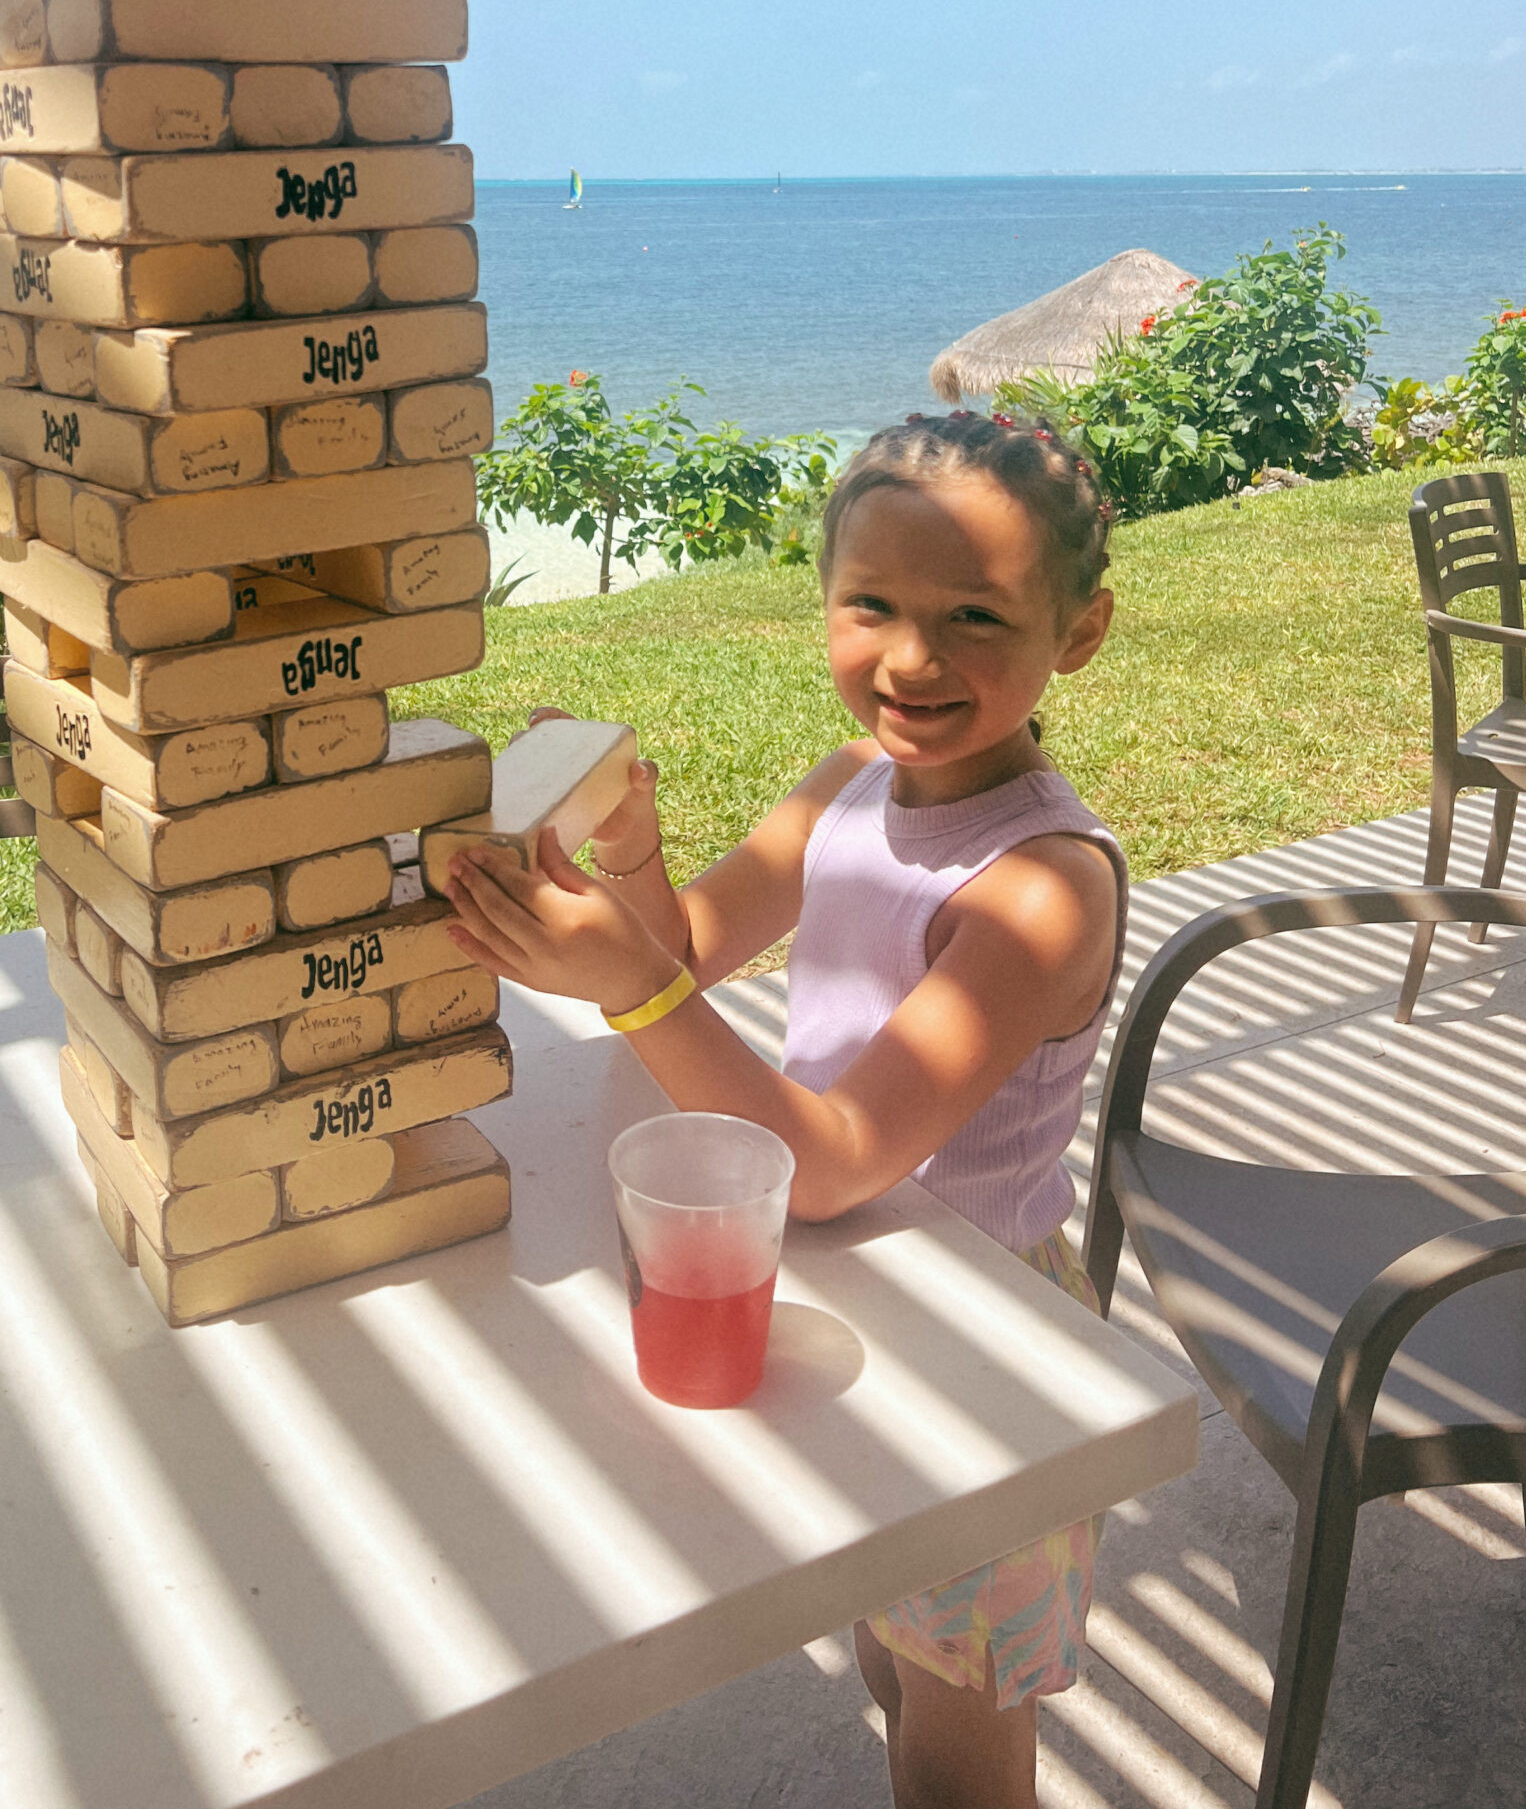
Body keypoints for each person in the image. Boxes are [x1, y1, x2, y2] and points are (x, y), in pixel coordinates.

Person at [442, 410, 1125, 1809]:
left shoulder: (1040, 887)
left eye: (976, 618)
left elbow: (837, 1159)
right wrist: (631, 851)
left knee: (958, 1731)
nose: (913, 659)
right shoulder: (847, 790)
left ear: (1082, 631)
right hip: (871, 1297)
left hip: (986, 1361)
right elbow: (688, 946)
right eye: (871, 606)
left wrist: (628, 981)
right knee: (895, 1645)